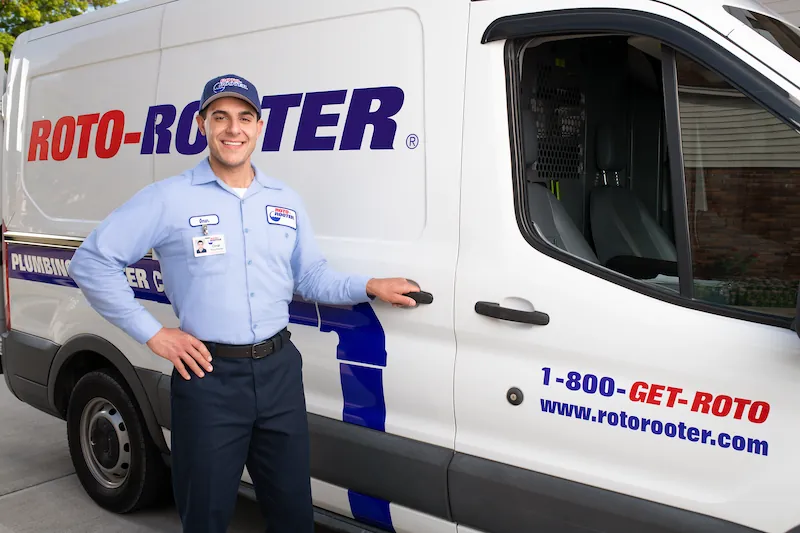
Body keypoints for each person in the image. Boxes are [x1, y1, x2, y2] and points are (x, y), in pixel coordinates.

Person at [67, 73, 422, 533]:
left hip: (278, 372)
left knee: (293, 512)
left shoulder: (284, 200)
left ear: (259, 127)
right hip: (208, 378)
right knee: (207, 515)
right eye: (220, 117)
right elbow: (92, 262)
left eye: (244, 117)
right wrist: (153, 334)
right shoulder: (169, 199)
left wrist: (369, 285)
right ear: (202, 125)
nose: (232, 128)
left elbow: (310, 275)